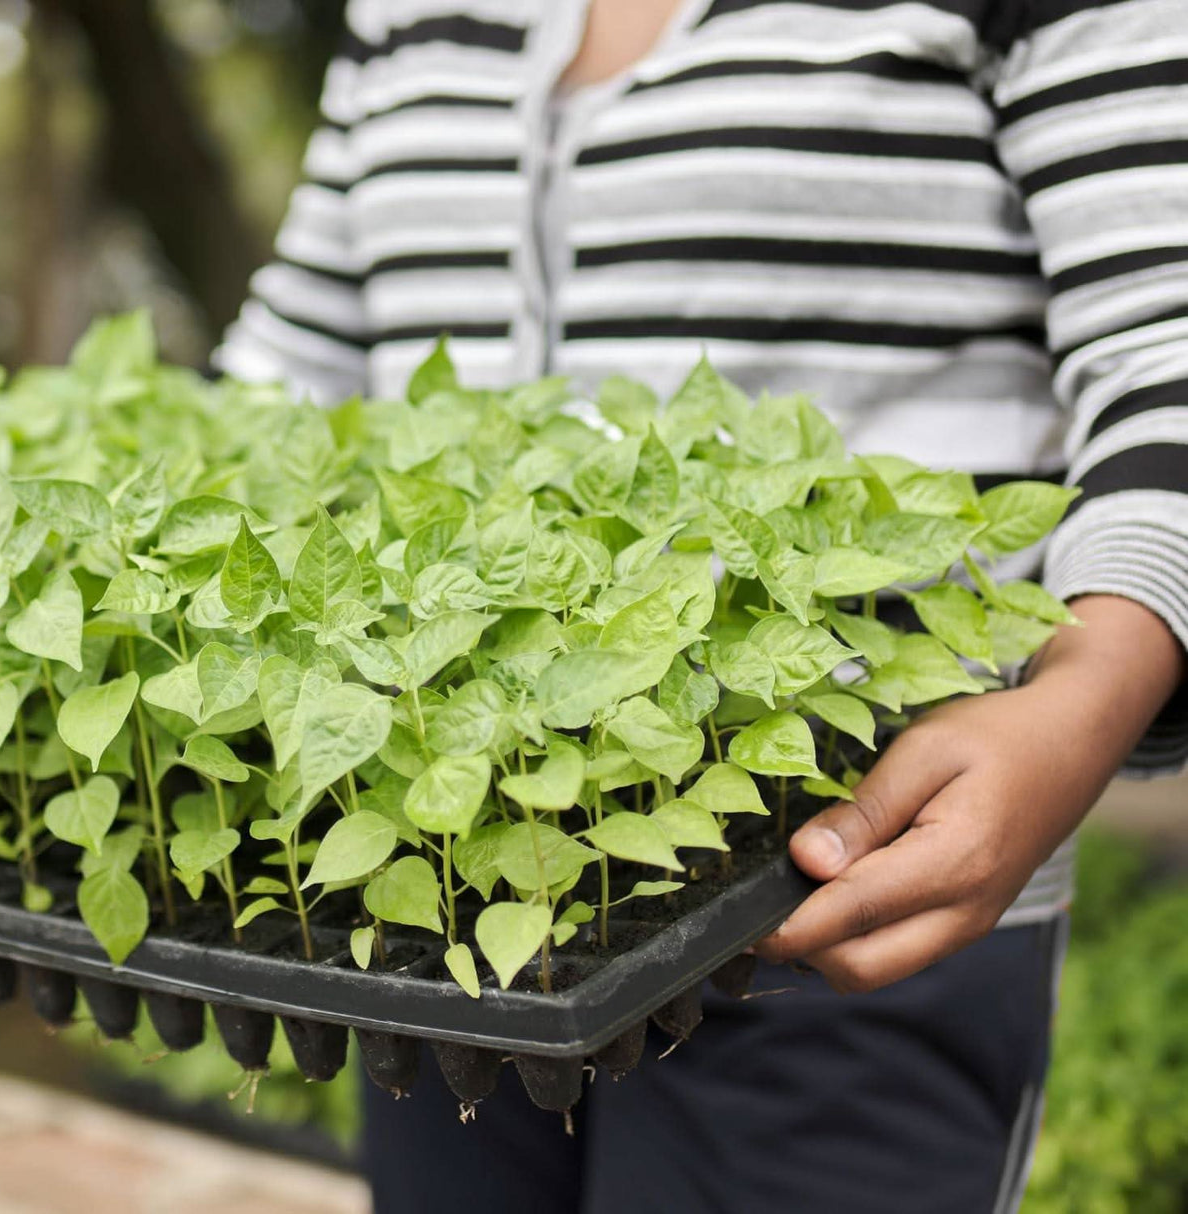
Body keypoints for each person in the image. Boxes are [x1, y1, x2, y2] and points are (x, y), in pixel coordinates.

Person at [215, 1, 1188, 1209]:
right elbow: (285, 379)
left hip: (851, 885)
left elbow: (1166, 360)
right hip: (449, 870)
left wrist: (1081, 699)